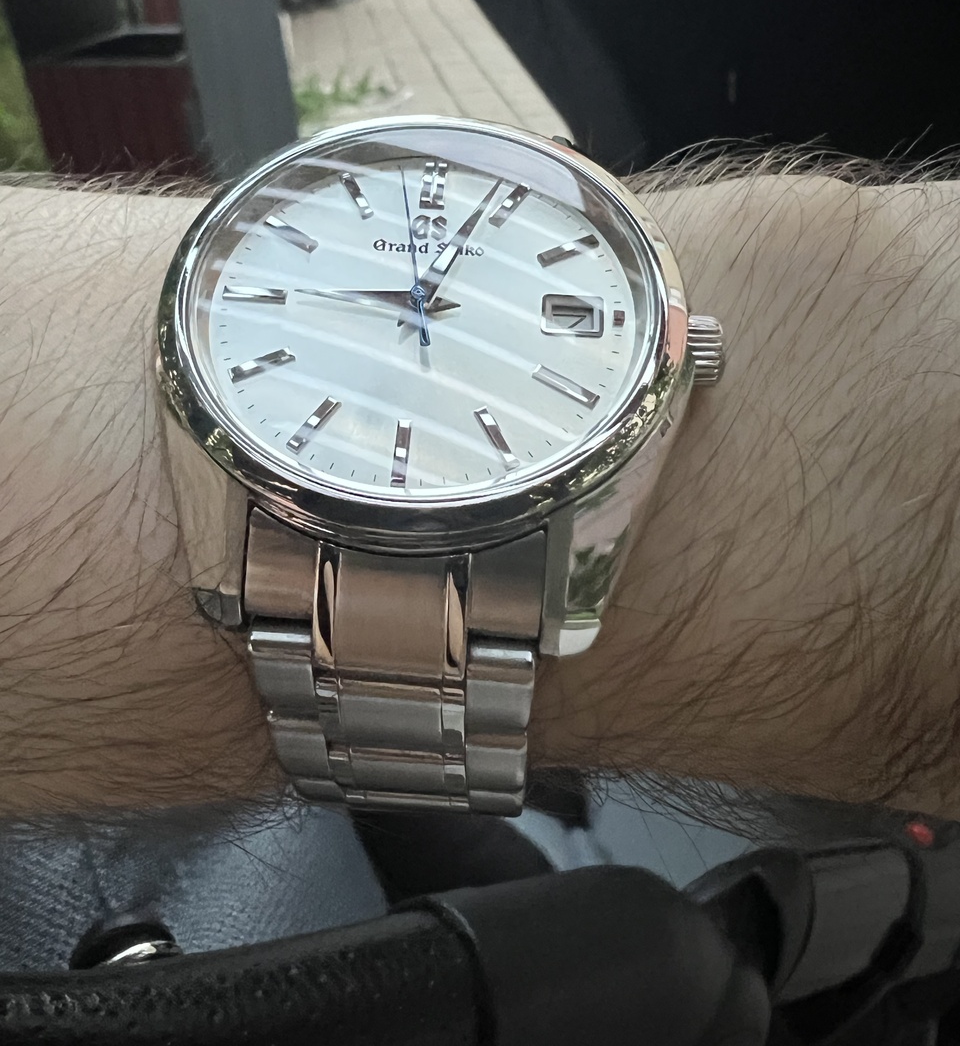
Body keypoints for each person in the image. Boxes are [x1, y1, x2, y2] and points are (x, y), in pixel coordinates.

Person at [3, 149, 959, 823]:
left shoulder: (647, 346)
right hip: (284, 505)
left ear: (683, 355)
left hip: (495, 525)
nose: (421, 305)